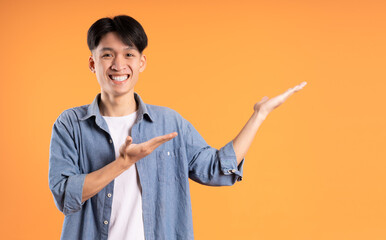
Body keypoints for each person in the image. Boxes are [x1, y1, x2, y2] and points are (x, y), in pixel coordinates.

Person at [48, 15, 306, 240]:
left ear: (141, 63)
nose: (118, 64)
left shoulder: (169, 123)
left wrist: (259, 116)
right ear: (93, 63)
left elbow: (216, 169)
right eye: (107, 54)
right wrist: (123, 163)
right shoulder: (70, 124)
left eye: (129, 54)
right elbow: (64, 194)